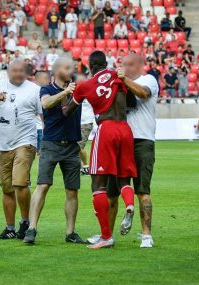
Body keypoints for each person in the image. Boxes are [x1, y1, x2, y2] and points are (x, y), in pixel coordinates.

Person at [63, 51, 137, 249]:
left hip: (106, 130)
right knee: (123, 178)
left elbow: (68, 111)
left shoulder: (85, 85)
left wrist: (66, 95)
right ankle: (129, 205)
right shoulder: (119, 76)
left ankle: (106, 236)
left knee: (98, 184)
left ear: (90, 65)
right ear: (106, 63)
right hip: (125, 129)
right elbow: (132, 102)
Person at [94, 54, 159, 248]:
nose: (125, 68)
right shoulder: (118, 84)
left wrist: (123, 78)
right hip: (120, 142)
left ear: (140, 65)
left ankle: (147, 236)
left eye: (130, 65)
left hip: (141, 140)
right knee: (111, 193)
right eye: (123, 65)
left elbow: (143, 93)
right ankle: (107, 235)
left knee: (142, 191)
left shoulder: (148, 79)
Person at [24, 58, 85, 244]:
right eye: (67, 68)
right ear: (57, 70)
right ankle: (32, 229)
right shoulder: (47, 89)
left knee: (72, 190)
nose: (71, 70)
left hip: (72, 145)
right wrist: (66, 92)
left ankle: (70, 232)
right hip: (51, 144)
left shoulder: (78, 89)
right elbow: (46, 104)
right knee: (42, 185)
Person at [0, 60, 42, 240]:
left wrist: (45, 138)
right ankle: (10, 228)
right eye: (14, 71)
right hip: (3, 145)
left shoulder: (34, 89)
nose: (18, 74)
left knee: (20, 183)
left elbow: (42, 114)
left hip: (26, 142)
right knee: (7, 188)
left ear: (26, 72)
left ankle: (25, 222)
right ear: (8, 72)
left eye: (21, 71)